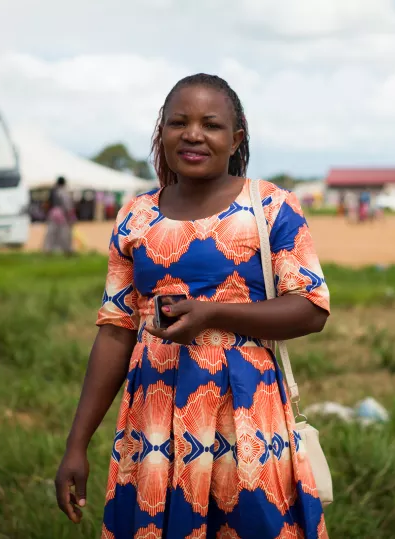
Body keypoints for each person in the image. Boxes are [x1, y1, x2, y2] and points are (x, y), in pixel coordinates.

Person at [54, 73, 331, 538]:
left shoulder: (270, 207)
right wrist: (76, 444)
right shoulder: (136, 215)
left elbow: (311, 308)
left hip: (245, 416)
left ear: (236, 138)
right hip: (154, 422)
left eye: (212, 124)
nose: (194, 134)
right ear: (161, 133)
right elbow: (116, 330)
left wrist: (212, 314)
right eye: (179, 122)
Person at [43, 176, 76, 255]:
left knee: (51, 234)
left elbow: (48, 204)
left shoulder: (53, 191)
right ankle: (67, 250)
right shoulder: (64, 192)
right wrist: (70, 216)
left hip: (52, 214)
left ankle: (48, 250)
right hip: (61, 214)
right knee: (64, 233)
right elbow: (68, 205)